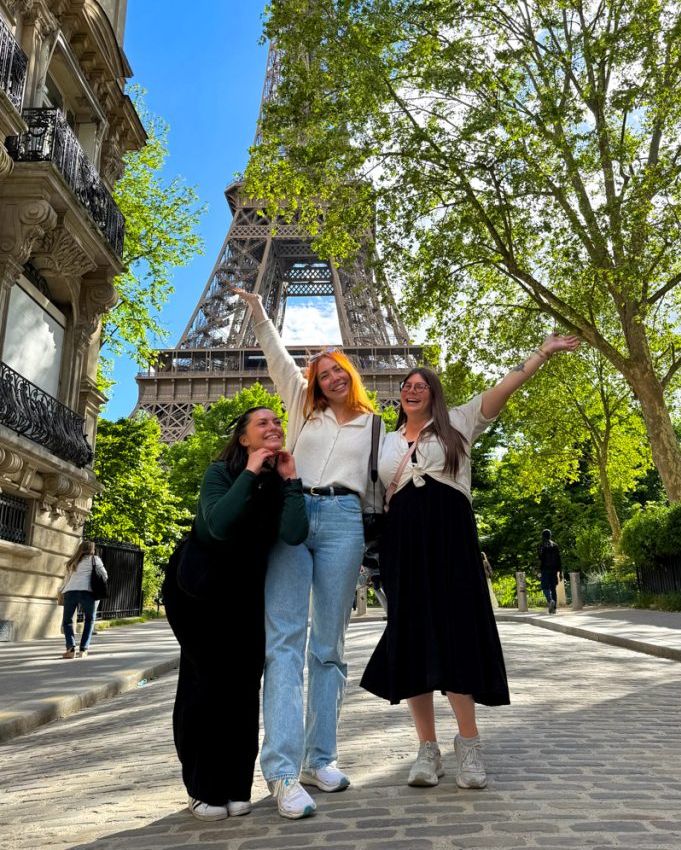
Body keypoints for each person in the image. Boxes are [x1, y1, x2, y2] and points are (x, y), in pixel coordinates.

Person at [361, 333, 580, 790]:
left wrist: (541, 351)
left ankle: (470, 746)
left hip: (451, 542)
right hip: (404, 544)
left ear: (434, 394)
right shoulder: (383, 439)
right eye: (406, 384)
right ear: (399, 395)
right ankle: (427, 750)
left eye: (422, 384)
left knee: (457, 635)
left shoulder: (459, 422)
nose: (412, 388)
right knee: (412, 639)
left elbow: (507, 386)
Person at [232, 288, 384, 820]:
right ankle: (280, 771)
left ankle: (321, 758)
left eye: (339, 371)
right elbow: (277, 359)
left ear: (351, 374)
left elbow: (396, 473)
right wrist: (256, 310)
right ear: (315, 382)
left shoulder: (375, 425)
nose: (332, 379)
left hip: (345, 520)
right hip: (293, 515)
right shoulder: (300, 408)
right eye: (323, 374)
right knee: (285, 644)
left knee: (329, 647)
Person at [162, 407, 309, 822]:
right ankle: (202, 787)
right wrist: (249, 471)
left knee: (244, 687)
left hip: (245, 594)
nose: (274, 427)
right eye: (263, 423)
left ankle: (235, 786)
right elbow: (217, 528)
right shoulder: (220, 473)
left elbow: (296, 533)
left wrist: (292, 479)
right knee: (206, 684)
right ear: (244, 439)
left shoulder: (280, 482)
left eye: (278, 422)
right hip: (198, 589)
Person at [59, 540, 108, 659]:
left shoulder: (73, 561)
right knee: (89, 620)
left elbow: (66, 580)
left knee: (67, 621)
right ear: (92, 549)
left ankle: (70, 649)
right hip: (87, 592)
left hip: (70, 592)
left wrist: (61, 590)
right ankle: (83, 650)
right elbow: (105, 575)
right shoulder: (95, 559)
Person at [538, 529, 563, 615]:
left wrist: (538, 570)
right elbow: (559, 559)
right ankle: (554, 609)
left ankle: (550, 600)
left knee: (545, 587)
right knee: (553, 588)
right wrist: (561, 572)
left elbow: (540, 558)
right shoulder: (555, 545)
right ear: (550, 535)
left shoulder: (541, 545)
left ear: (543, 536)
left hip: (545, 569)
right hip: (554, 570)